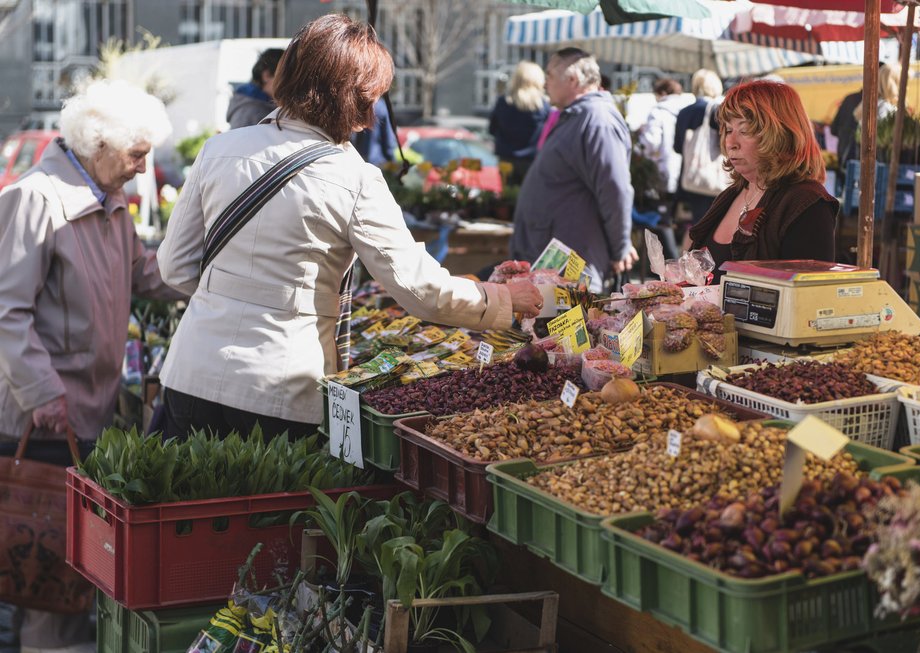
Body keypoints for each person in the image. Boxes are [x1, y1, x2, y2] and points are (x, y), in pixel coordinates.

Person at [156, 15, 543, 440]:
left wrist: (230, 297)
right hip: (280, 390)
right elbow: (421, 291)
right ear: (353, 98)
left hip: (192, 370)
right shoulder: (353, 177)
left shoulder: (219, 150)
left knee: (189, 506)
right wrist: (502, 298)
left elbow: (175, 266)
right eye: (373, 96)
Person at [0, 78, 180, 653]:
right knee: (48, 573)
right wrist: (41, 393)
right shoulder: (34, 198)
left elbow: (145, 276)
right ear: (99, 143)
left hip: (89, 416)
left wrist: (208, 276)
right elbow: (6, 311)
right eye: (137, 154)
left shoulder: (111, 203)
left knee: (75, 570)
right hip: (44, 418)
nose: (141, 168)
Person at [511, 48, 636, 292]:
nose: (545, 83)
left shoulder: (598, 119)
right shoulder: (576, 116)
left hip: (572, 266)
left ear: (573, 80)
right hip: (553, 262)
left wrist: (620, 246)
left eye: (549, 75)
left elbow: (615, 188)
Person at [688, 80, 838, 279]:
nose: (731, 143)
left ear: (780, 134)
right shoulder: (732, 194)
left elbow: (806, 296)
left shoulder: (806, 203)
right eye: (728, 130)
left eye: (745, 130)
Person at [674, 69, 725, 229]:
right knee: (718, 224)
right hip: (715, 178)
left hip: (692, 178)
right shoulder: (718, 111)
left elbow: (677, 147)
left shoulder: (684, 112)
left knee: (698, 223)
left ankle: (696, 253)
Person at [489, 61, 550, 184]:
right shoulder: (543, 106)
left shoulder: (503, 102)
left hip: (506, 159)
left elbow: (491, 129)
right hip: (532, 161)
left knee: (507, 199)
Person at [637, 78, 694, 197]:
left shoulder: (658, 111)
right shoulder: (689, 109)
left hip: (665, 168)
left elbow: (651, 142)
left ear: (662, 93)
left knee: (666, 208)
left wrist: (641, 136)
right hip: (689, 171)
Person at [226, 47, 284, 129]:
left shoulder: (251, 104)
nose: (289, 84)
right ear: (266, 75)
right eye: (285, 77)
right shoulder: (251, 110)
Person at [353, 97, 397, 166]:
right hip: (377, 159)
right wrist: (392, 158)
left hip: (359, 157)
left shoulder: (358, 103)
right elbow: (388, 137)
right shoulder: (381, 106)